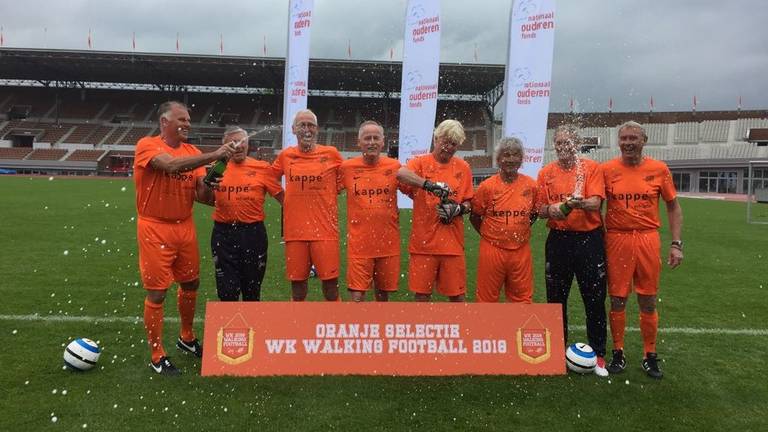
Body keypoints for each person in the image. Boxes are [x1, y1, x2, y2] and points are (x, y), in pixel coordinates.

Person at [133, 101, 237, 375]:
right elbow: (169, 166)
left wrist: (213, 181)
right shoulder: (148, 145)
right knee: (157, 292)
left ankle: (186, 337)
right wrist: (214, 154)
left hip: (184, 226)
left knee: (191, 282)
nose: (187, 125)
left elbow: (201, 196)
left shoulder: (193, 151)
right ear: (164, 122)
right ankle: (157, 354)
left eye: (189, 121)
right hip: (155, 227)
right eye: (182, 120)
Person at [602, 121, 684, 379]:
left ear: (644, 140)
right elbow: (596, 204)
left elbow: (673, 206)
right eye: (623, 138)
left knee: (647, 298)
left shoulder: (659, 169)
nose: (628, 143)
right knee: (617, 298)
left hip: (648, 239)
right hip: (617, 239)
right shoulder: (607, 170)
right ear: (618, 142)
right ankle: (618, 352)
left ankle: (650, 355)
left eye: (633, 138)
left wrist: (676, 243)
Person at [536, 125, 608, 377]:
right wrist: (550, 209)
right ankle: (555, 352)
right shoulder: (546, 172)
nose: (562, 147)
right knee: (555, 299)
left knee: (594, 298)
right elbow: (540, 209)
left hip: (589, 240)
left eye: (567, 143)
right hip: (558, 240)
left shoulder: (591, 168)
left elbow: (595, 203)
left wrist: (573, 204)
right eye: (558, 143)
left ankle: (599, 355)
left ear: (576, 144)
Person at [396, 119, 474, 302]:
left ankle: (461, 330)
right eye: (445, 141)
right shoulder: (420, 163)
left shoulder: (463, 168)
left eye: (453, 144)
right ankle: (422, 331)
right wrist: (428, 185)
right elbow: (401, 174)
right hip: (424, 245)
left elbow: (470, 203)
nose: (448, 147)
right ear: (436, 138)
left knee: (458, 297)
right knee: (422, 297)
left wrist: (458, 208)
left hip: (453, 245)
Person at [271, 109, 343, 301]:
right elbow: (269, 178)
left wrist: (329, 193)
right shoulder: (286, 156)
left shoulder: (331, 154)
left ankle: (334, 326)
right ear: (294, 130)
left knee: (330, 287)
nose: (306, 129)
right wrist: (283, 197)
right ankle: (298, 327)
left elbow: (345, 178)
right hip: (295, 233)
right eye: (302, 125)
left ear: (317, 129)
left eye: (310, 125)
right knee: (298, 288)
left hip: (326, 232)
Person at [205, 126, 284, 301]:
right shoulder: (215, 168)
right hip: (223, 234)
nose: (238, 146)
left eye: (242, 142)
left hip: (253, 234)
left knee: (252, 290)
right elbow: (203, 197)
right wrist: (208, 187)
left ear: (248, 144)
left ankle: (251, 328)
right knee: (227, 291)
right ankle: (227, 328)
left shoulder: (263, 168)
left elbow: (283, 199)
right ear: (224, 144)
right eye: (233, 142)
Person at [338, 121, 402, 301]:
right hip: (359, 245)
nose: (372, 142)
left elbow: (414, 192)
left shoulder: (395, 167)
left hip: (387, 244)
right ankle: (358, 328)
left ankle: (378, 328)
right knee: (357, 296)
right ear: (359, 142)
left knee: (382, 297)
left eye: (376, 138)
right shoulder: (347, 168)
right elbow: (326, 191)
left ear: (383, 142)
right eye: (367, 138)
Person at [470, 137, 537, 303]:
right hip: (492, 249)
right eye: (506, 155)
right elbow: (475, 216)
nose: (511, 159)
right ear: (499, 159)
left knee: (522, 300)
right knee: (486, 300)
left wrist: (518, 228)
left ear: (521, 159)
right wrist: (491, 235)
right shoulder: (487, 186)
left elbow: (534, 213)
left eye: (515, 155)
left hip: (521, 249)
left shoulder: (531, 185)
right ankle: (486, 329)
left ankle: (517, 330)